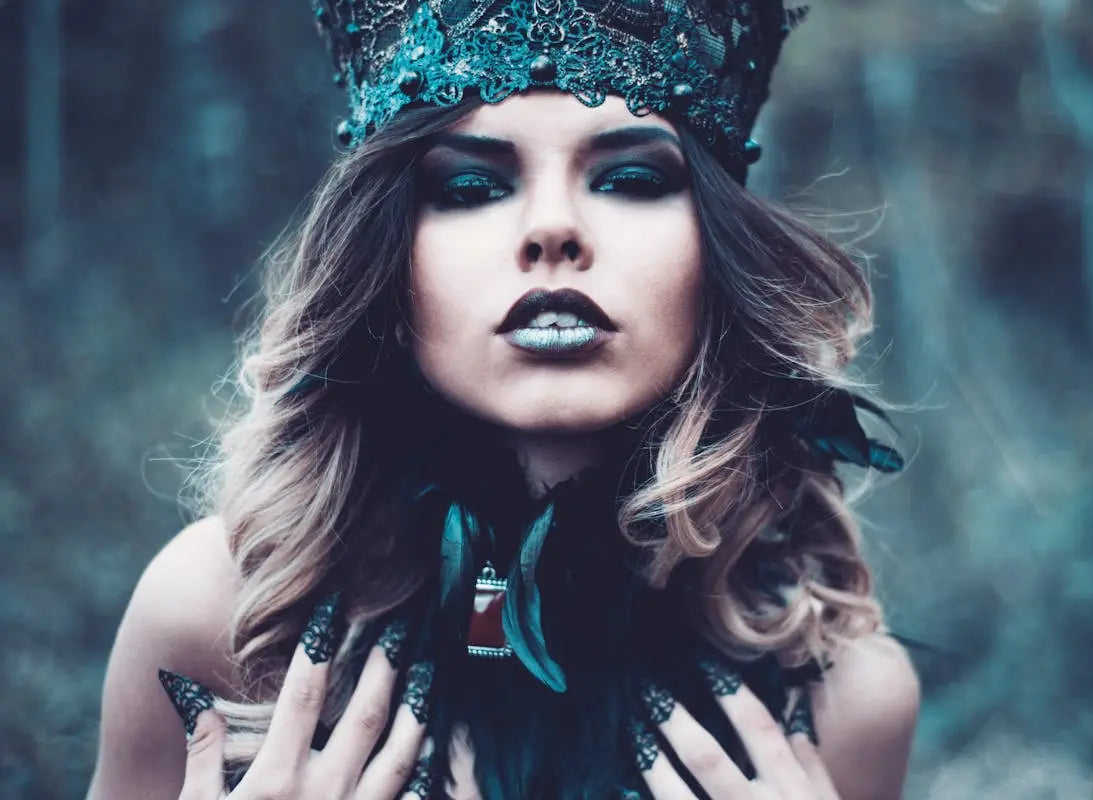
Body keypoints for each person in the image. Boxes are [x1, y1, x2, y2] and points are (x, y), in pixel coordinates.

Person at [88, 1, 920, 798]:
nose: (552, 229)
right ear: (387, 257)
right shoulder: (224, 615)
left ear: (716, 249)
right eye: (471, 188)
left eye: (630, 178)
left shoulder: (841, 694)